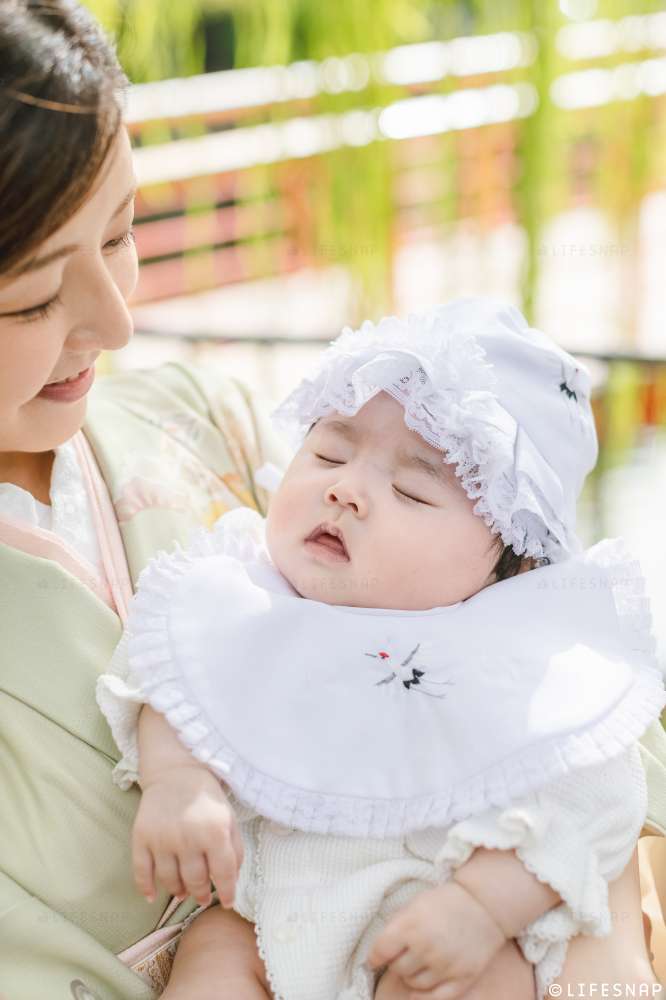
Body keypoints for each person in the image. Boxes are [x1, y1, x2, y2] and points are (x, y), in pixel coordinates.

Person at [97, 299, 666, 1000]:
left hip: (442, 917)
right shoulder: (244, 589)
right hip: (272, 918)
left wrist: (485, 905)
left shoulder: (523, 651)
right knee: (213, 950)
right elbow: (170, 675)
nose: (346, 489)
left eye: (412, 492)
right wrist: (179, 783)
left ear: (511, 566)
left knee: (489, 975)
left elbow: (594, 795)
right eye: (328, 452)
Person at [0, 3, 288, 997]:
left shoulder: (210, 419)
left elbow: (525, 634)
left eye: (122, 232)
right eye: (33, 300)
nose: (117, 323)